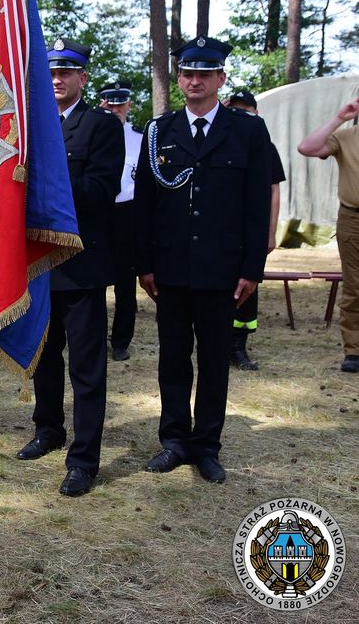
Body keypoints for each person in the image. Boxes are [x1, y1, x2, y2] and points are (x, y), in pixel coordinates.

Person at [135, 36, 271, 484]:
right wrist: (145, 263)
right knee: (173, 358)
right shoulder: (160, 131)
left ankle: (206, 446)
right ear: (179, 78)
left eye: (204, 74)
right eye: (187, 74)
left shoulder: (247, 130)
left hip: (222, 269)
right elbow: (145, 205)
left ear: (220, 79)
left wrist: (253, 269)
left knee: (214, 360)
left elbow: (256, 207)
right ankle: (173, 441)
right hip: (171, 268)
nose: (194, 81)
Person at [14, 41, 123, 497]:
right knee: (44, 355)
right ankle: (48, 428)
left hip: (81, 265)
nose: (57, 79)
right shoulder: (28, 127)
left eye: (67, 72)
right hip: (37, 262)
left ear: (83, 78)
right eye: (51, 72)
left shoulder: (100, 126)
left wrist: (49, 177)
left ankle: (84, 458)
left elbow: (102, 190)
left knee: (86, 365)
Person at [296, 96, 359, 373]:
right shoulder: (345, 137)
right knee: (355, 287)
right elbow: (306, 147)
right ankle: (354, 350)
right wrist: (339, 118)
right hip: (352, 219)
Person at [225, 89, 285, 371]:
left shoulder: (262, 142)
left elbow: (272, 189)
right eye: (234, 108)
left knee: (246, 290)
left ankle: (239, 346)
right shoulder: (219, 138)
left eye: (245, 109)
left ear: (256, 112)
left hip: (249, 230)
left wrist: (270, 233)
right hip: (220, 231)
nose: (240, 113)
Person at [99, 80, 143, 362]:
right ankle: (95, 336)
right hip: (100, 212)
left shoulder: (141, 138)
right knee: (95, 280)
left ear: (129, 104)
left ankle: (121, 341)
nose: (116, 108)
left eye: (120, 102)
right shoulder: (95, 132)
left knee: (126, 283)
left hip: (128, 212)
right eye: (110, 102)